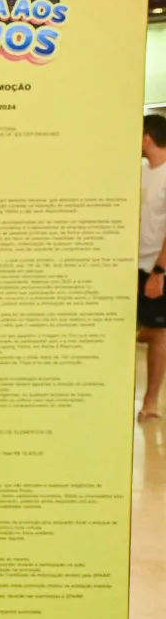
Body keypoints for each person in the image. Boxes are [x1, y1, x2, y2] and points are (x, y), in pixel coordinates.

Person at [138, 113, 166, 420]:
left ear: (147, 136)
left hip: (155, 267)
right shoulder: (143, 171)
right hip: (130, 262)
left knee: (158, 334)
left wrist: (159, 272)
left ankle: (150, 402)